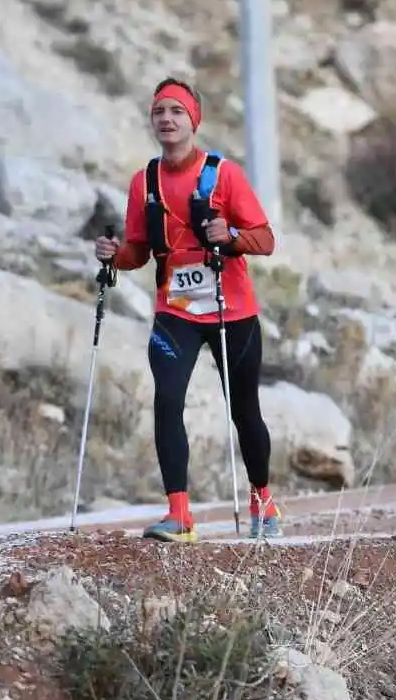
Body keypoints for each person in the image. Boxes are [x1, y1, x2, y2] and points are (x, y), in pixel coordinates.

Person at [94, 77, 282, 543]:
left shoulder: (225, 175)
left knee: (245, 412)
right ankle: (179, 514)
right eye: (159, 111)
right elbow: (137, 252)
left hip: (230, 311)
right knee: (166, 402)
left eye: (177, 111)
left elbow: (266, 239)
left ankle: (262, 496)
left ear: (193, 120)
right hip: (174, 311)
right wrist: (112, 255)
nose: (167, 119)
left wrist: (230, 237)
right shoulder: (145, 182)